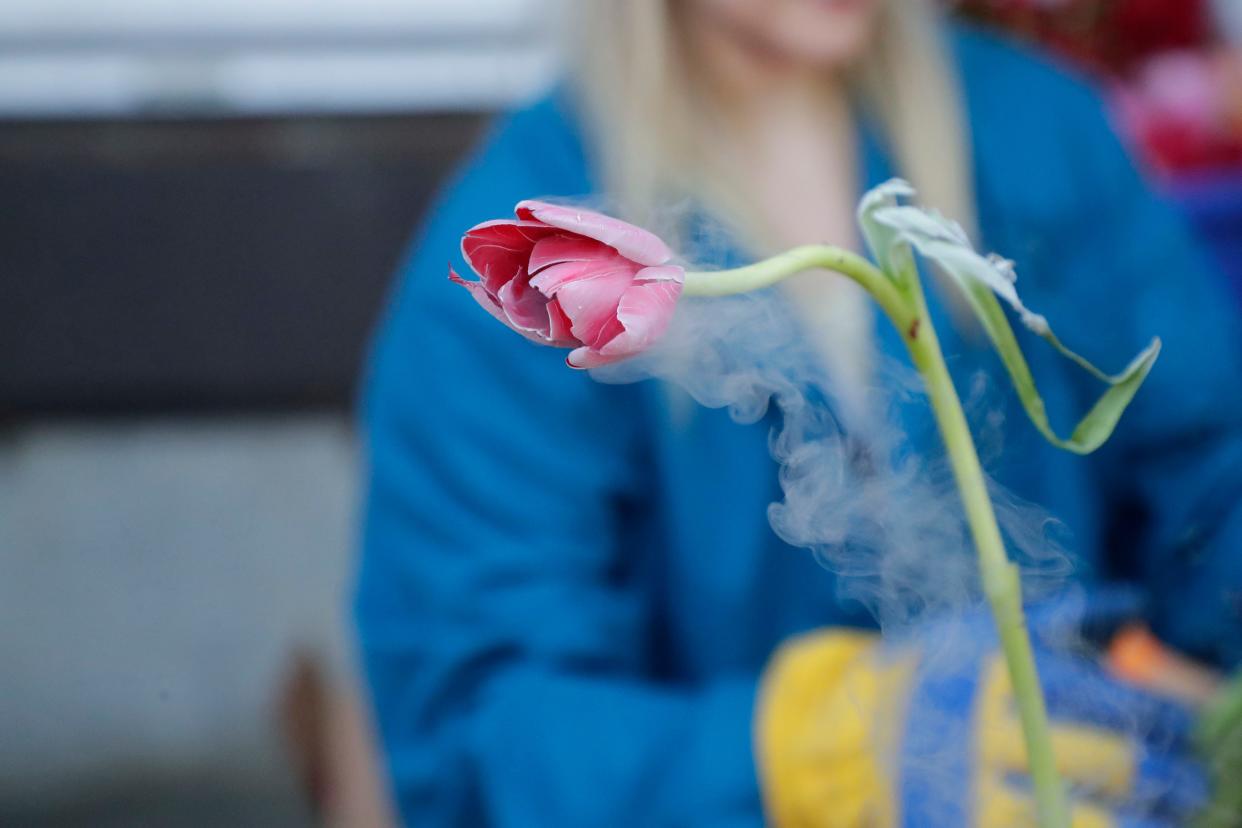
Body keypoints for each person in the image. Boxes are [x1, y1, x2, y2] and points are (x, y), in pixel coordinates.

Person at [355, 0, 1242, 824]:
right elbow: (477, 732)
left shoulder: (1042, 136)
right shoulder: (533, 256)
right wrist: (802, 752)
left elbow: (1213, 484)